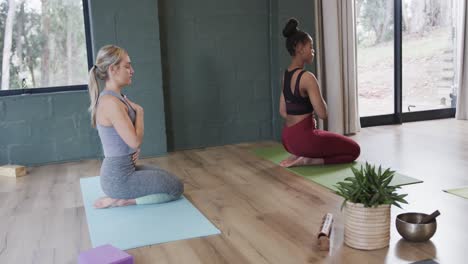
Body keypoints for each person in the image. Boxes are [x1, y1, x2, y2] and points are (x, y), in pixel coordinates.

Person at [88, 45, 184, 208]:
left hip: (126, 169)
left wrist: (133, 152)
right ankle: (124, 200)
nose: (132, 71)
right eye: (127, 66)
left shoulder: (118, 98)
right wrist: (139, 112)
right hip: (118, 178)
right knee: (176, 188)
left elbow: (126, 141)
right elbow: (134, 142)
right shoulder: (110, 103)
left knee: (169, 178)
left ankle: (120, 195)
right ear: (113, 69)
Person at [279, 18, 360, 168]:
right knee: (354, 150)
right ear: (299, 48)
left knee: (321, 142)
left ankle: (299, 154)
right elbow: (323, 113)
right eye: (311, 47)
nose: (313, 51)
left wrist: (305, 120)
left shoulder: (285, 75)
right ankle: (308, 159)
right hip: (304, 141)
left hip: (288, 140)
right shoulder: (308, 78)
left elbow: (283, 111)